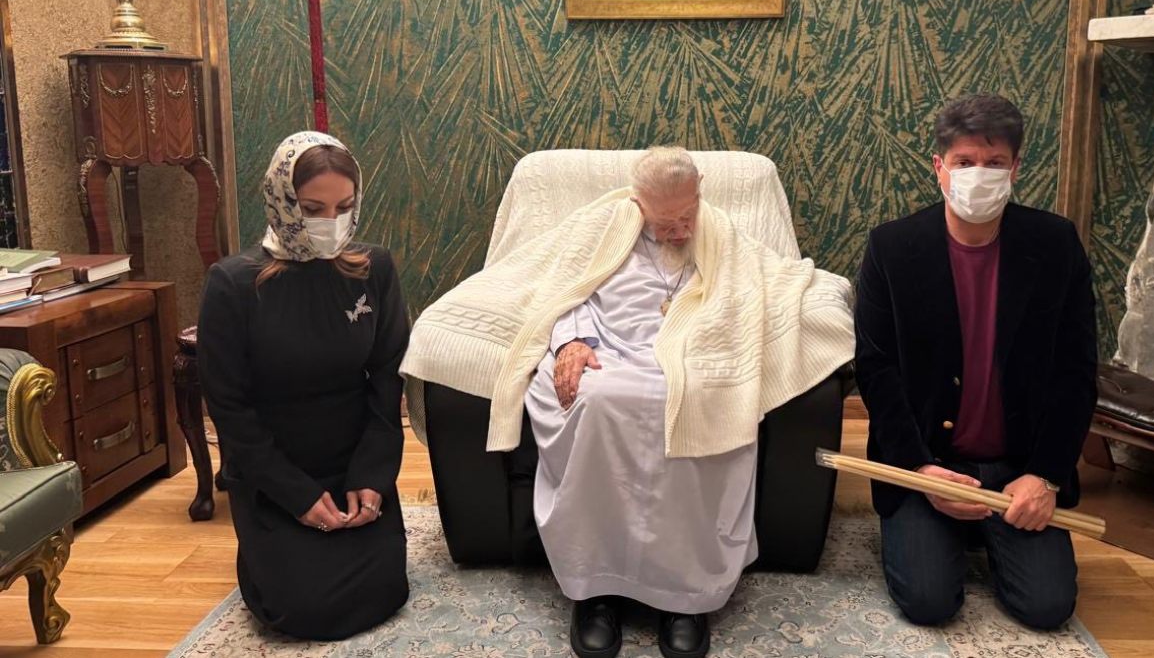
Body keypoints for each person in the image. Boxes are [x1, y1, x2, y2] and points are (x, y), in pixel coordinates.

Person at [401, 147, 853, 658]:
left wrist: (713, 338)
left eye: (687, 216)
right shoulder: (603, 225)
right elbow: (562, 287)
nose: (679, 231)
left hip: (693, 357)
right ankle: (596, 592)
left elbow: (752, 288)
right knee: (595, 400)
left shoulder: (719, 229)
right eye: (665, 222)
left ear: (699, 191)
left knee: (700, 403)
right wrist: (572, 342)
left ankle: (686, 598)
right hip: (610, 356)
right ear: (639, 204)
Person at [854, 95, 1098, 630]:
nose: (978, 175)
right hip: (928, 458)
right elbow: (876, 369)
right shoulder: (891, 247)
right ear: (939, 167)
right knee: (929, 603)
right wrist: (919, 471)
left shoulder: (1056, 245)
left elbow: (1076, 371)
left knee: (1047, 607)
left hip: (1020, 465)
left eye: (994, 163)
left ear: (1015, 168)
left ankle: (981, 527)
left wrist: (1046, 476)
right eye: (964, 162)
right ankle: (947, 528)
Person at [199, 131, 410, 640]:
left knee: (386, 589)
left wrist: (373, 476)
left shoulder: (375, 270)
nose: (331, 222)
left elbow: (387, 381)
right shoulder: (232, 284)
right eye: (313, 209)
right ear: (282, 200)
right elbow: (229, 407)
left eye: (345, 207)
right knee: (301, 610)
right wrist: (295, 494)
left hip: (354, 463)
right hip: (274, 471)